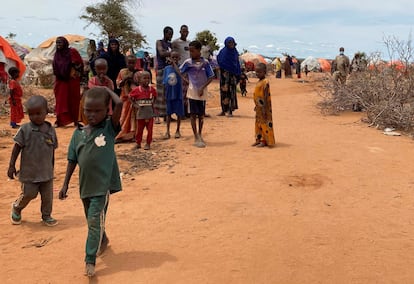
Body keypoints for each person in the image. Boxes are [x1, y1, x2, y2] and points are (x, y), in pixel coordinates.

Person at [59, 86, 123, 277]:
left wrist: (105, 89)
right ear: (82, 109)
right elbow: (72, 160)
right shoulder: (78, 133)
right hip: (85, 186)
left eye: (98, 111)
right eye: (88, 110)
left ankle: (90, 260)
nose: (92, 115)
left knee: (94, 220)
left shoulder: (109, 129)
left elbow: (119, 103)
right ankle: (103, 239)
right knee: (92, 221)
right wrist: (64, 185)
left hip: (102, 187)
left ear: (107, 111)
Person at [8, 95, 58, 226]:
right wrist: (11, 166)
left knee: (48, 197)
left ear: (46, 112)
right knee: (29, 194)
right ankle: (17, 207)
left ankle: (46, 215)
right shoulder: (25, 130)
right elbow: (16, 148)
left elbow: (52, 150)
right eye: (31, 114)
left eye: (38, 113)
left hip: (46, 172)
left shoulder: (51, 130)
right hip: (29, 172)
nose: (35, 117)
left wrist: (52, 168)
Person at [175, 40, 214, 148]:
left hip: (202, 92)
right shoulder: (188, 62)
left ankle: (200, 134)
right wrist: (185, 79)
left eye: (193, 51)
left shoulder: (205, 63)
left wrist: (202, 87)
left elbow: (211, 76)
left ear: (199, 51)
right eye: (190, 51)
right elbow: (180, 71)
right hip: (192, 91)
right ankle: (195, 135)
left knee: (201, 115)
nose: (191, 53)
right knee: (192, 114)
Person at [52, 36, 84, 127]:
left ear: (65, 43)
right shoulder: (57, 54)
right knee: (61, 101)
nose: (58, 45)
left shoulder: (72, 52)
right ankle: (60, 121)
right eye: (57, 43)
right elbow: (55, 67)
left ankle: (75, 120)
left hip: (72, 80)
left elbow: (80, 64)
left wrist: (73, 66)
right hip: (61, 80)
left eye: (60, 43)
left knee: (73, 100)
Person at [130, 71, 157, 150]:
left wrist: (153, 104)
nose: (147, 80)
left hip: (149, 114)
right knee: (139, 130)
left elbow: (155, 96)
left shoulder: (151, 89)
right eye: (144, 78)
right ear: (139, 80)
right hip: (140, 114)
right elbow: (130, 97)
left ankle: (148, 143)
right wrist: (135, 105)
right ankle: (138, 143)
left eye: (148, 78)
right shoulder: (137, 90)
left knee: (150, 130)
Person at [115, 55, 139, 142]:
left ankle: (133, 135)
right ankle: (121, 135)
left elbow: (140, 86)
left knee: (134, 118)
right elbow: (118, 84)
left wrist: (133, 81)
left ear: (135, 63)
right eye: (129, 63)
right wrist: (125, 79)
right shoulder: (122, 72)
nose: (131, 65)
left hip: (135, 100)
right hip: (125, 98)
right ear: (126, 63)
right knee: (123, 117)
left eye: (133, 63)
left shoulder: (138, 73)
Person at [252, 63, 275, 148]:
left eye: (259, 72)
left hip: (264, 108)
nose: (257, 74)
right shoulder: (259, 81)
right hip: (258, 108)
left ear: (264, 72)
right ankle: (258, 139)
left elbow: (265, 96)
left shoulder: (265, 82)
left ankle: (265, 140)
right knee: (258, 123)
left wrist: (264, 108)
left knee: (264, 124)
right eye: (256, 72)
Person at [217, 37, 241, 117]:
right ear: (226, 43)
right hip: (224, 77)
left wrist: (238, 75)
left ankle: (230, 111)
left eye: (232, 43)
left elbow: (237, 64)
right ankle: (223, 110)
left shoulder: (235, 53)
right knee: (223, 93)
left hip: (232, 76)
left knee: (231, 93)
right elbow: (219, 60)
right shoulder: (223, 52)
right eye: (229, 43)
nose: (231, 44)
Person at [162, 51, 184, 139]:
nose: (174, 59)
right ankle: (167, 131)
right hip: (169, 94)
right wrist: (164, 94)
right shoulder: (166, 69)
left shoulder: (181, 68)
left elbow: (180, 74)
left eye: (176, 57)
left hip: (178, 93)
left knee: (179, 113)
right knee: (168, 113)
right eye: (173, 57)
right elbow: (164, 82)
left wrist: (174, 64)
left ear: (179, 58)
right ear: (170, 58)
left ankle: (178, 130)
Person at [154, 26, 174, 124]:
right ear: (165, 33)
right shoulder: (159, 42)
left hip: (169, 70)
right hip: (162, 69)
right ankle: (157, 115)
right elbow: (161, 53)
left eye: (172, 34)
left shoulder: (170, 44)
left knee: (168, 93)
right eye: (169, 34)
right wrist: (171, 53)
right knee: (160, 93)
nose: (171, 36)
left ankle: (167, 114)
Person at [172, 25, 190, 118]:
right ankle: (180, 112)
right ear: (180, 32)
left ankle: (187, 112)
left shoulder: (189, 43)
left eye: (186, 31)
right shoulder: (175, 42)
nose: (185, 33)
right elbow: (172, 54)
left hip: (188, 69)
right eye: (183, 31)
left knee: (187, 92)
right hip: (180, 69)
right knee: (181, 92)